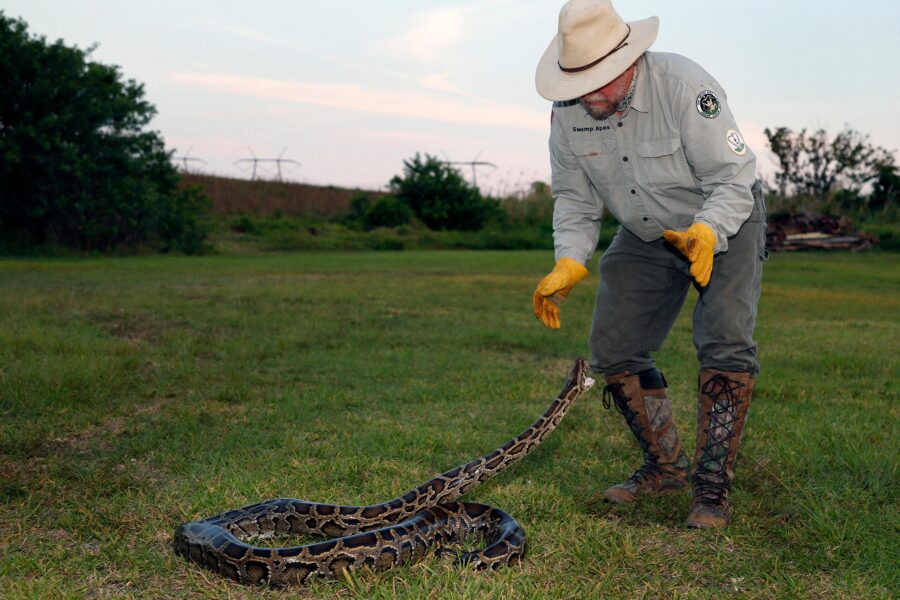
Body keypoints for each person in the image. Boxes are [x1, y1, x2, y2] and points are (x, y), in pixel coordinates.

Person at [531, 0, 767, 529]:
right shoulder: (569, 111)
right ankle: (666, 467)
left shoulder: (685, 88)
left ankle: (711, 486)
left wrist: (706, 232)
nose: (591, 94)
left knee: (724, 337)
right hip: (644, 232)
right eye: (580, 82)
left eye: (602, 80)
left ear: (629, 59)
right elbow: (574, 199)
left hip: (721, 218)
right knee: (613, 346)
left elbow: (732, 180)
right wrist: (569, 261)